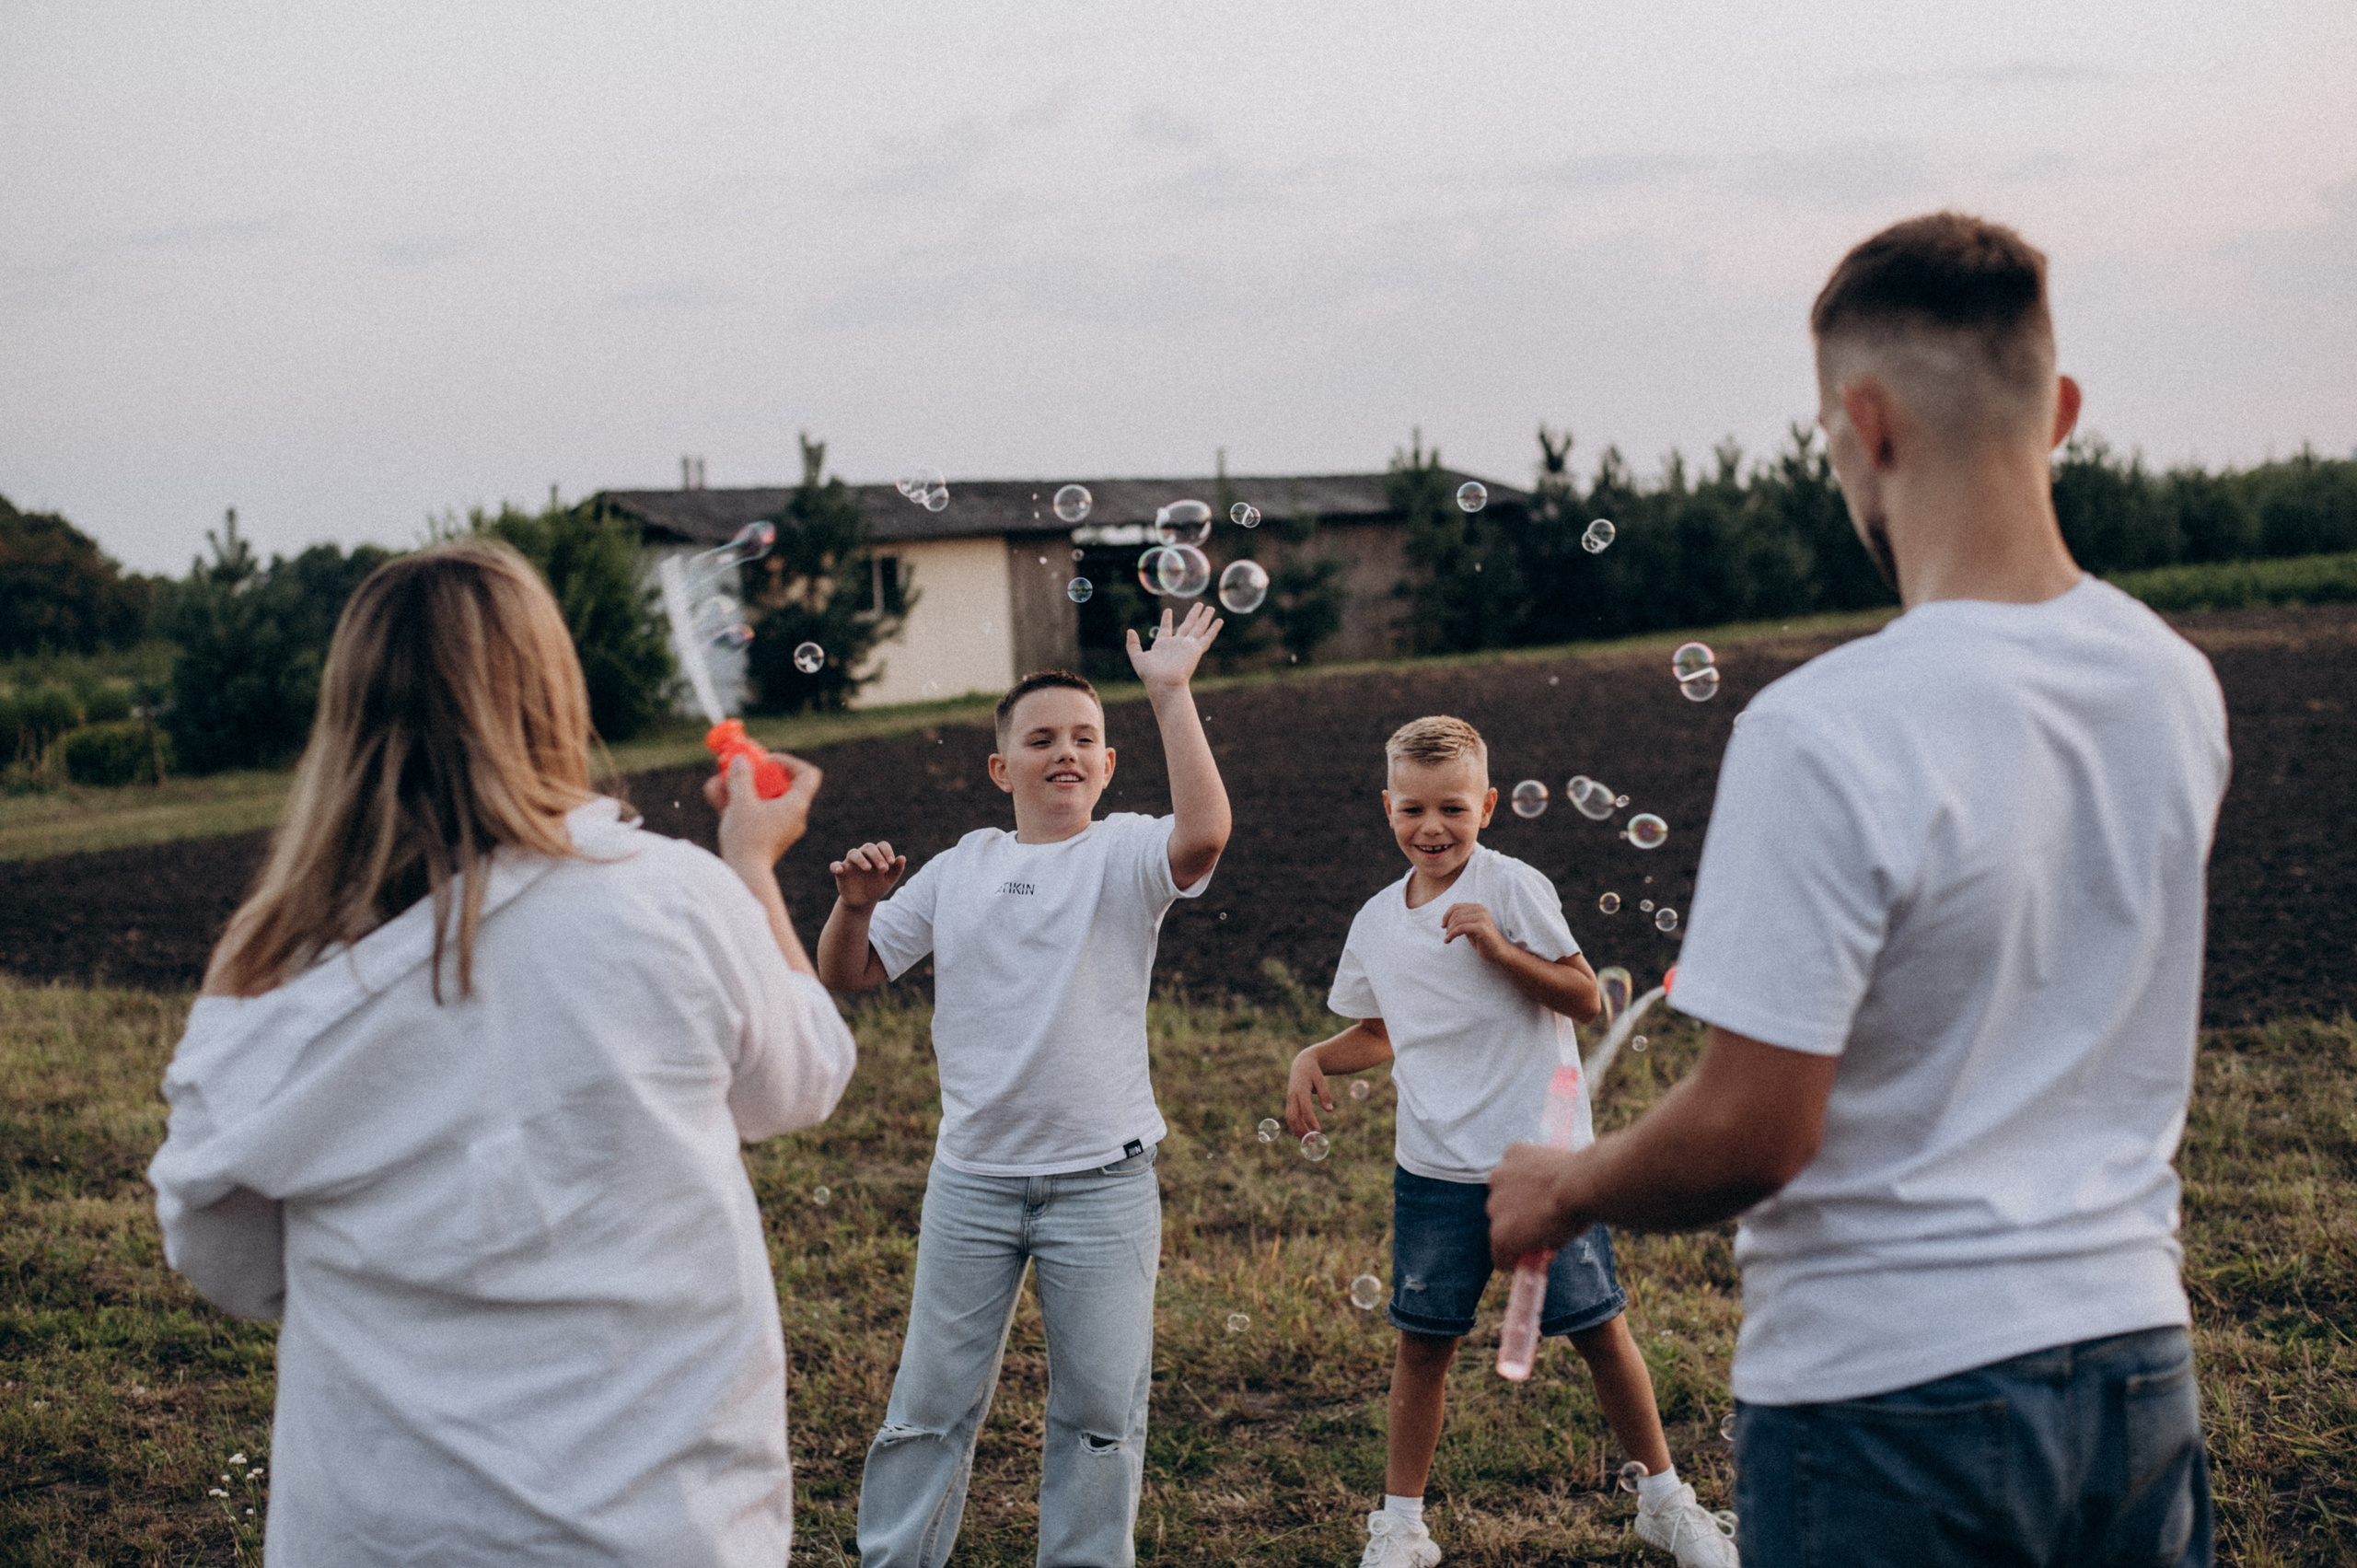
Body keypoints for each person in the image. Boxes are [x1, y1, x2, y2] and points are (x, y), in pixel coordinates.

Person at [1487, 212, 2230, 1567]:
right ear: (2058, 410)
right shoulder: (2174, 681)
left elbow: (1757, 1129)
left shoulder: (1827, 724)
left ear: (1867, 425)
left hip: (1892, 1400)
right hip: (2136, 1362)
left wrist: (1568, 1182)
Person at [147, 540, 856, 1566]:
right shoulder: (671, 896)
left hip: (388, 1529)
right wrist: (748, 861)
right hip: (666, 1525)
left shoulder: (274, 969)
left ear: (345, 715)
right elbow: (804, 1076)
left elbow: (228, 1262)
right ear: (551, 696)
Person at [818, 603, 1232, 1568]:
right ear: (1002, 768)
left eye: (1085, 738)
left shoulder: (1125, 852)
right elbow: (853, 970)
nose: (1065, 752)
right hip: (972, 1182)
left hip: (1103, 1183)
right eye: (1041, 738)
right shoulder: (965, 865)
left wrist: (1169, 693)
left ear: (1108, 764)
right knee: (928, 1402)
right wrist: (851, 906)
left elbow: (1204, 832)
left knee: (1097, 1412)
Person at [1287, 715, 1739, 1568]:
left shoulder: (1514, 887)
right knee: (1424, 1345)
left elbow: (1582, 995)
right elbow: (1383, 1031)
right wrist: (1318, 1053)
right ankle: (1402, 1525)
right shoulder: (1378, 920)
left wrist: (1496, 945)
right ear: (1387, 807)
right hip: (1433, 1168)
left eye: (1452, 807)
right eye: (1413, 807)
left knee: (1601, 1329)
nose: (1432, 826)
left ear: (1487, 805)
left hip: (1543, 1163)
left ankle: (1665, 1501)